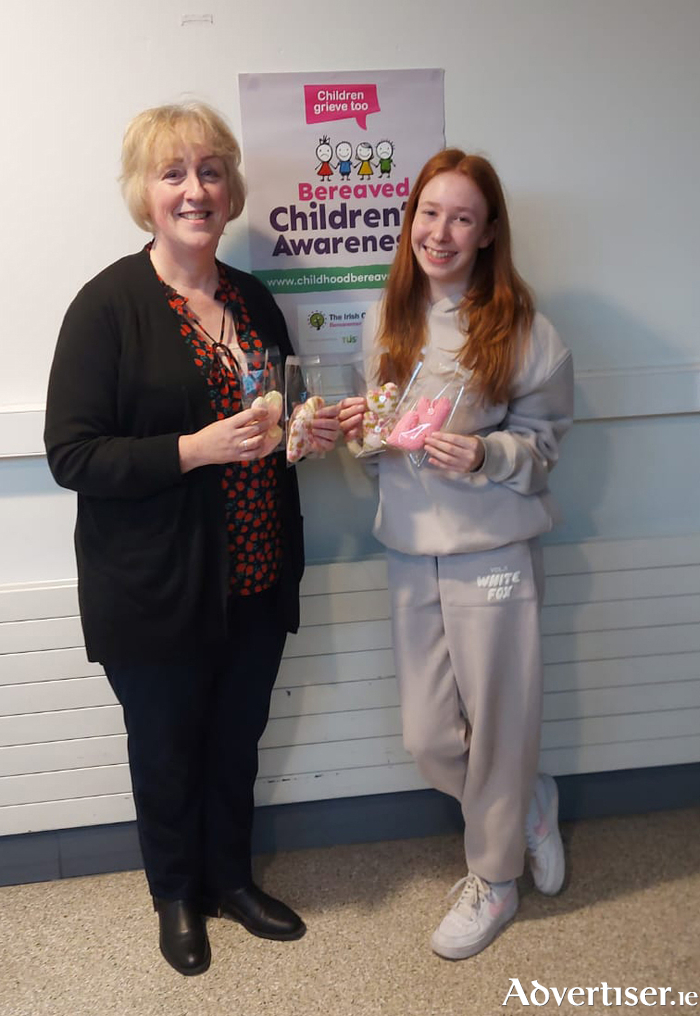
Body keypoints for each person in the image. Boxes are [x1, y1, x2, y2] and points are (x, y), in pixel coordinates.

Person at [44, 101, 338, 976]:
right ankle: (176, 896)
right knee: (167, 748)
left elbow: (280, 411)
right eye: (172, 173)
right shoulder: (108, 307)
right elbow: (72, 454)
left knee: (236, 740)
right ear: (145, 193)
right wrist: (192, 450)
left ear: (231, 189)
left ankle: (232, 880)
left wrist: (306, 433)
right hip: (156, 584)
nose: (194, 190)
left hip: (257, 571)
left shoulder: (253, 299)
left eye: (210, 171)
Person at [339, 149, 573, 961]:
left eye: (461, 218)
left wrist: (484, 454)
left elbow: (543, 447)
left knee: (501, 725)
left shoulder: (527, 333)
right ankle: (528, 800)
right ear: (411, 220)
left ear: (488, 231)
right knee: (430, 738)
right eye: (429, 213)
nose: (440, 233)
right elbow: (378, 443)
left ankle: (495, 878)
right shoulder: (385, 320)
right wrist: (362, 434)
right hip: (410, 550)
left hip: (493, 552)